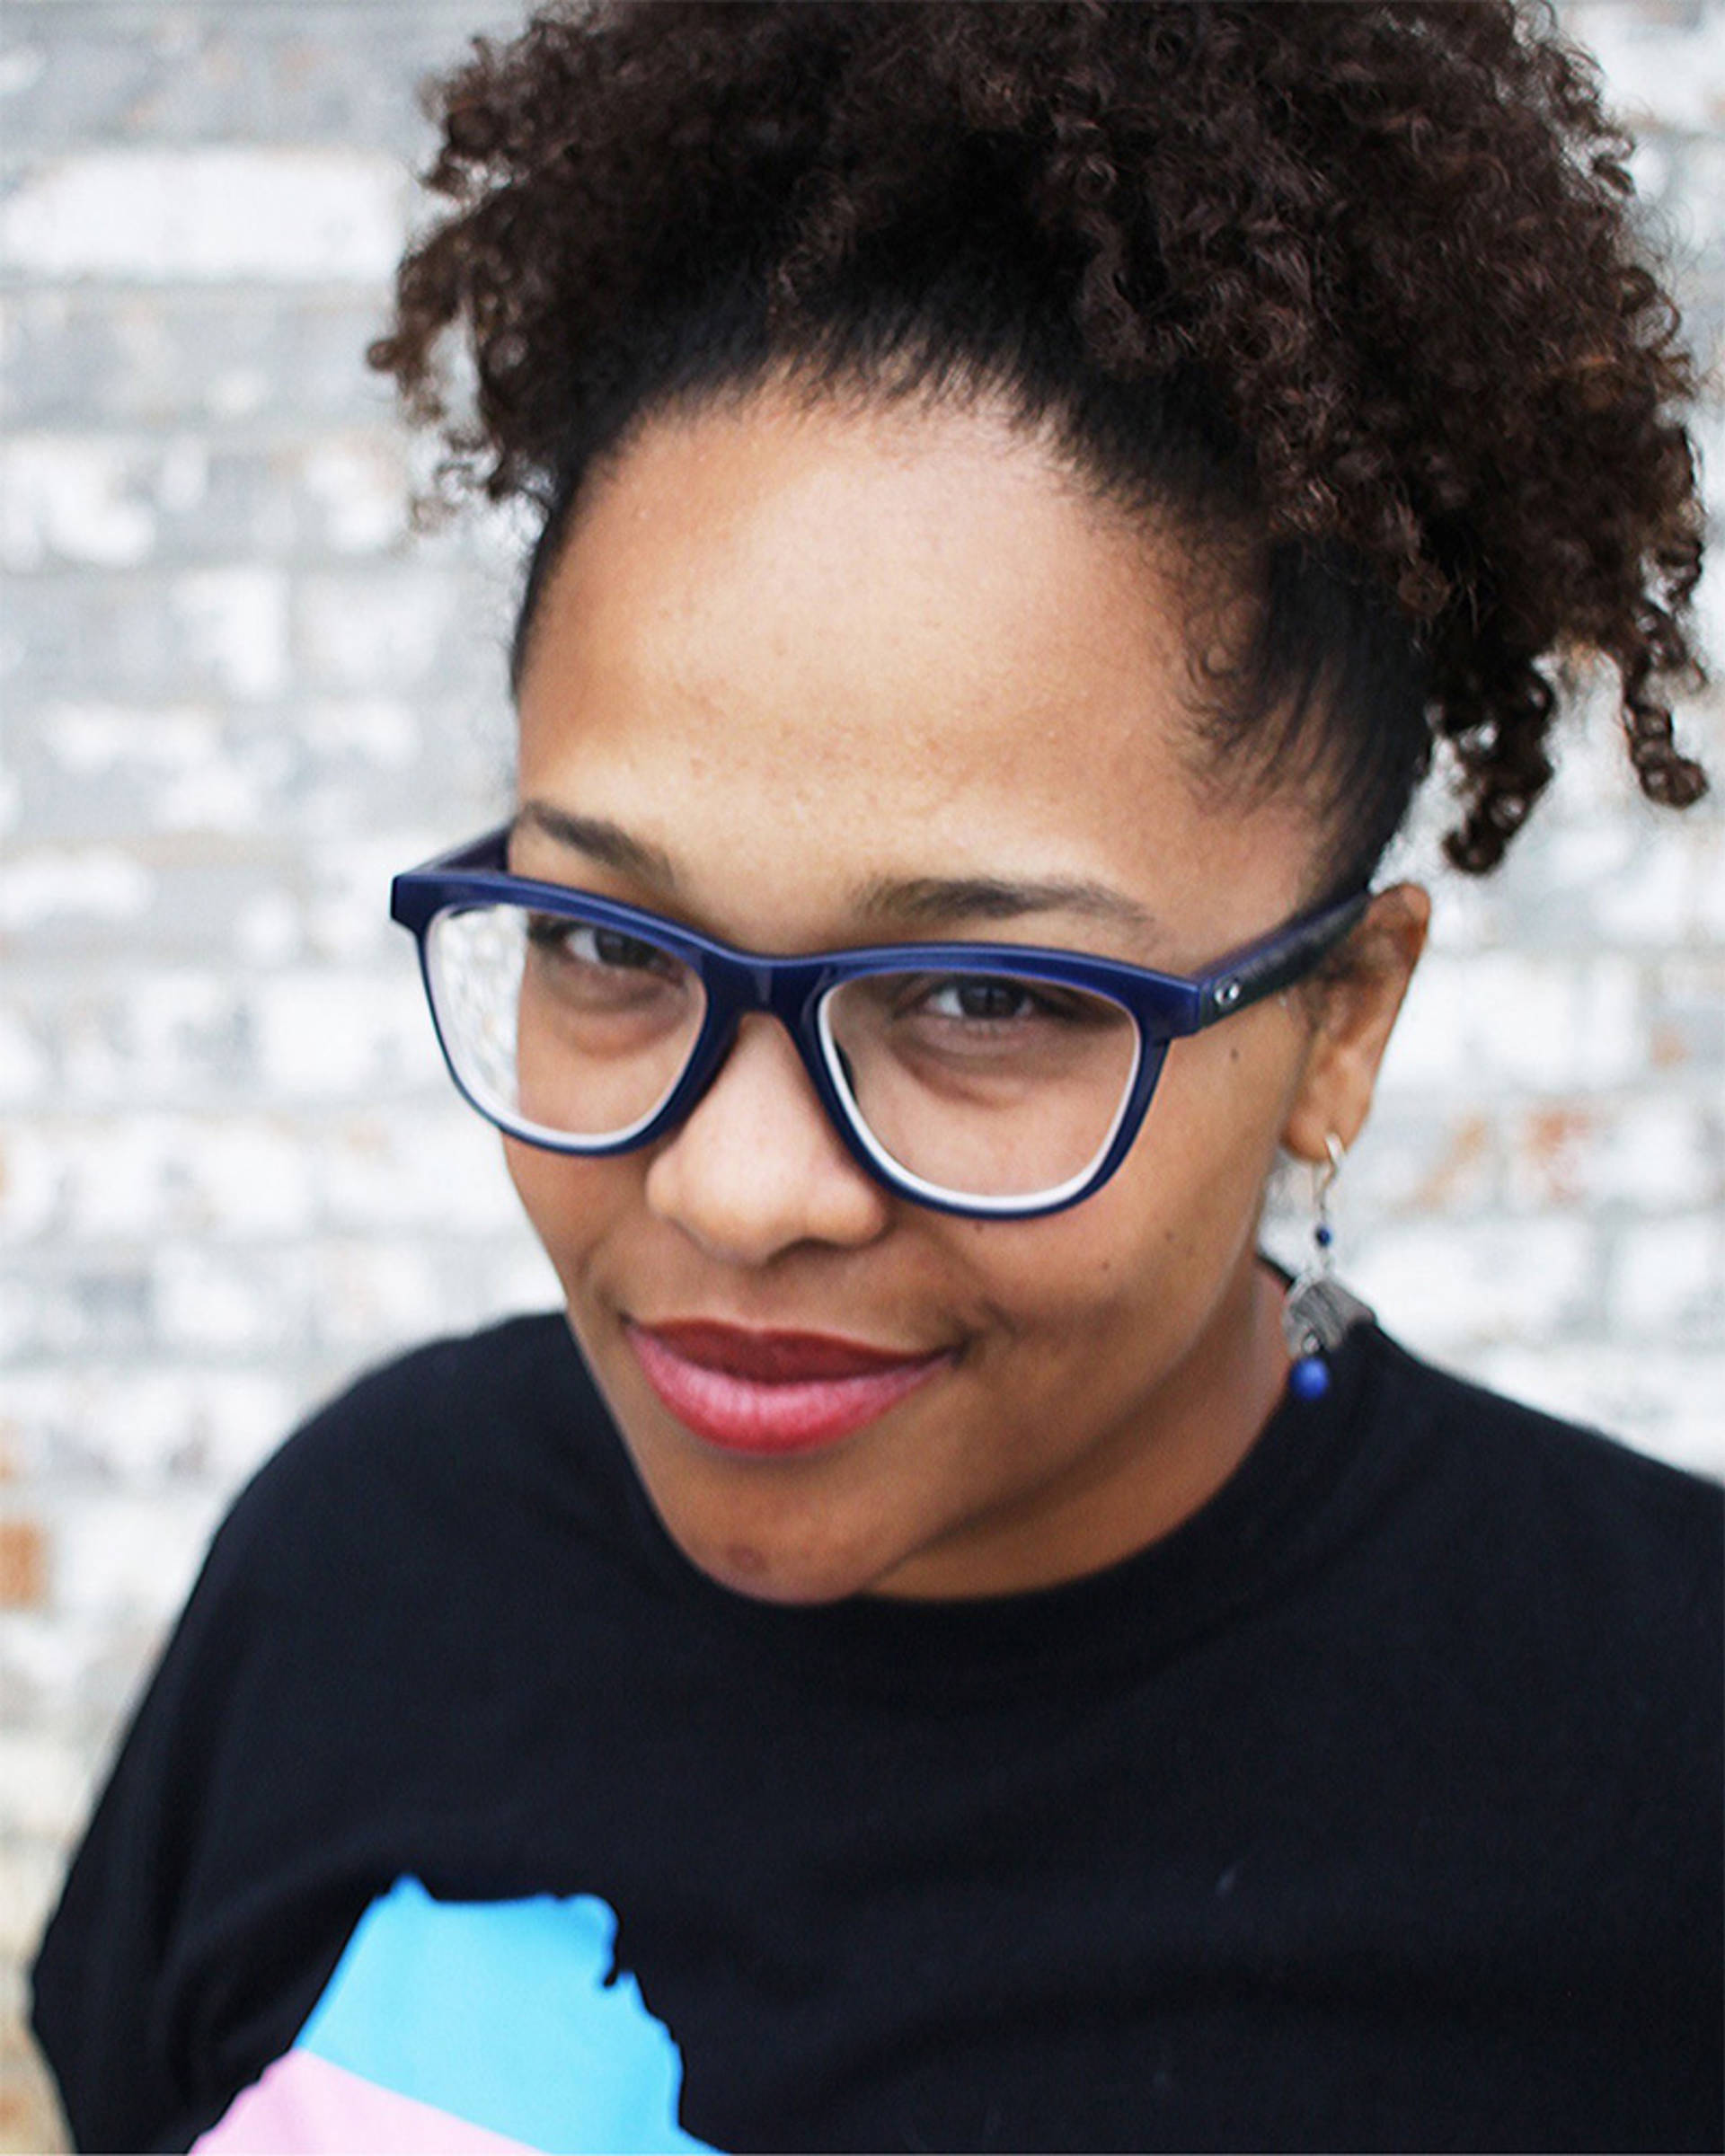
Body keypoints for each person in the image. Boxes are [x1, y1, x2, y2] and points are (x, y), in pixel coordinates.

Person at [29, 4, 1722, 2151]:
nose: (737, 1193)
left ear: (1343, 1023)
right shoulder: (356, 1566)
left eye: (984, 1002)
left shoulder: (1663, 1784)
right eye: (602, 940)